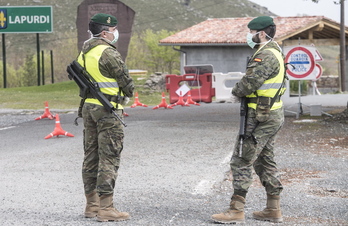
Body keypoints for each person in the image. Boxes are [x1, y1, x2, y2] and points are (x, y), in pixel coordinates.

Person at [211, 16, 286, 224]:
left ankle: (236, 210)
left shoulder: (266, 55)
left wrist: (235, 91)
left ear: (261, 33)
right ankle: (273, 208)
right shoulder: (275, 51)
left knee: (242, 159)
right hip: (268, 114)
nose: (249, 36)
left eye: (252, 32)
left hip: (262, 116)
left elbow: (248, 84)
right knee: (264, 160)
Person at [76, 13, 134, 222]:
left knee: (91, 156)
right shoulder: (108, 52)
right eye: (113, 30)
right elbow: (126, 81)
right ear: (104, 32)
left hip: (89, 108)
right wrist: (127, 95)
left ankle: (91, 205)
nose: (115, 33)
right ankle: (106, 208)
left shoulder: (85, 51)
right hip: (108, 110)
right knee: (109, 156)